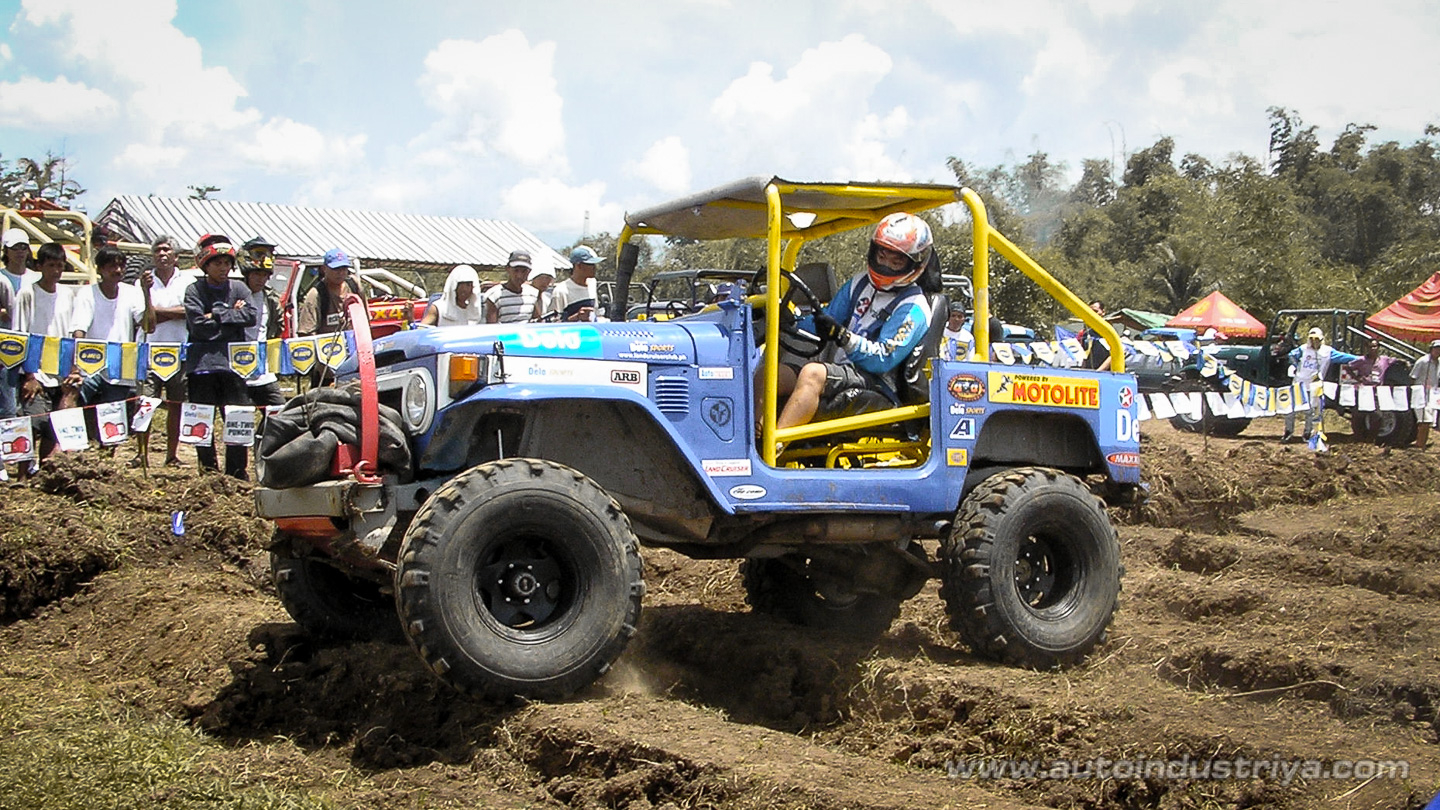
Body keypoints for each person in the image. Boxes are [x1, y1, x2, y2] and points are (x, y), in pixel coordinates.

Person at [773, 212, 932, 431]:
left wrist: (843, 337)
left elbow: (883, 358)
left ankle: (773, 454)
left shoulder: (914, 307)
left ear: (915, 263)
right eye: (882, 256)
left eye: (896, 261)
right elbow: (826, 321)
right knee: (773, 374)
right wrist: (789, 320)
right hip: (840, 372)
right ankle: (755, 439)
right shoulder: (859, 284)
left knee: (812, 373)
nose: (885, 265)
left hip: (879, 383)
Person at [183, 234, 254, 479]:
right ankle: (208, 471)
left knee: (237, 419)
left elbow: (251, 316)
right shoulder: (194, 290)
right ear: (205, 265)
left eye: (227, 263)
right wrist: (229, 317)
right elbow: (198, 326)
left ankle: (237, 472)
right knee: (201, 420)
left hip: (234, 365)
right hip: (201, 365)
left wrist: (215, 314)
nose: (223, 268)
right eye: (217, 263)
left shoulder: (240, 287)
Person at [14, 241, 77, 464]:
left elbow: (70, 334)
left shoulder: (68, 294)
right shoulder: (27, 293)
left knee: (54, 425)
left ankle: (44, 468)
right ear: (40, 266)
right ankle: (23, 471)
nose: (56, 271)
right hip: (34, 369)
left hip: (59, 368)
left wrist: (72, 368)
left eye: (60, 266)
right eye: (51, 265)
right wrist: (29, 376)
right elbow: (21, 335)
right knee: (33, 422)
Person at [70, 245, 155, 405]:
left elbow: (148, 327)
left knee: (112, 421)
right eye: (112, 266)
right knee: (81, 411)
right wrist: (75, 366)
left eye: (121, 266)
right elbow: (78, 331)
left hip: (119, 368)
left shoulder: (132, 292)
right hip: (90, 365)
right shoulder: (87, 293)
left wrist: (146, 292)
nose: (118, 270)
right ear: (101, 269)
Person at [139, 235, 195, 467]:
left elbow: (190, 311)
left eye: (166, 250)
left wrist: (157, 311)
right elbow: (144, 320)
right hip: (150, 351)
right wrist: (148, 297)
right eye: (158, 251)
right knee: (145, 404)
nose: (162, 254)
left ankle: (172, 454)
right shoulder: (143, 281)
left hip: (179, 351)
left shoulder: (188, 280)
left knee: (176, 404)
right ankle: (141, 454)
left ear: (176, 256)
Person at [1284, 326, 1359, 443]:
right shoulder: (1303, 349)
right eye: (1312, 339)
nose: (1314, 341)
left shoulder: (1327, 352)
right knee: (1290, 410)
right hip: (1298, 383)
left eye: (1316, 339)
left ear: (1321, 339)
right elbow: (1291, 355)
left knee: (1310, 411)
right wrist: (1294, 365)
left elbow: (1344, 357)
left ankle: (1307, 434)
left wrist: (1362, 359)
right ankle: (1288, 432)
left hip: (1314, 386)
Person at [0, 228, 39, 417]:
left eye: (23, 247)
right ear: (6, 250)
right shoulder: (1, 278)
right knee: (8, 402)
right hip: (6, 348)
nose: (20, 251)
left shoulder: (37, 278)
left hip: (33, 344)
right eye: (15, 247)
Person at [240, 256, 286, 406]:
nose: (260, 280)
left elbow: (277, 326)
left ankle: (262, 431)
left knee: (279, 410)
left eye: (264, 275)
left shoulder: (271, 298)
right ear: (247, 275)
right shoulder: (234, 294)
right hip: (238, 366)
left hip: (263, 367)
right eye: (256, 275)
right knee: (240, 417)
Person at [297, 248, 359, 336]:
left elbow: (365, 321)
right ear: (324, 269)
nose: (340, 273)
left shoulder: (354, 287)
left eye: (344, 268)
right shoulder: (316, 294)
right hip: (328, 347)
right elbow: (306, 332)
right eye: (336, 269)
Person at [548, 245, 602, 322]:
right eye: (590, 264)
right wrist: (577, 317)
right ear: (579, 266)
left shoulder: (592, 284)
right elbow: (553, 322)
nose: (594, 268)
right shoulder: (561, 291)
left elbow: (596, 313)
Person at [419, 264, 485, 326]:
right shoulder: (438, 308)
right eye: (461, 285)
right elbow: (422, 329)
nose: (465, 289)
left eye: (469, 285)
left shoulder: (473, 311)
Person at [481, 256, 538, 324]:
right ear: (508, 269)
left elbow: (537, 322)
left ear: (529, 272)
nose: (519, 276)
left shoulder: (532, 294)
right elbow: (492, 327)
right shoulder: (494, 295)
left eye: (524, 271)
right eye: (516, 270)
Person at [1410, 339, 1440, 449]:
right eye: (1436, 349)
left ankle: (1423, 443)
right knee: (1424, 421)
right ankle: (1419, 445)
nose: (1438, 351)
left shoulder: (1439, 362)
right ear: (1431, 349)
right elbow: (1413, 377)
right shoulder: (1422, 361)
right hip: (1421, 394)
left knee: (1429, 421)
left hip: (1433, 395)